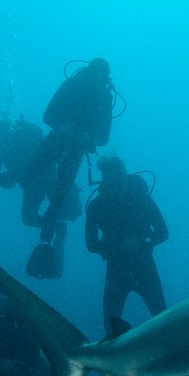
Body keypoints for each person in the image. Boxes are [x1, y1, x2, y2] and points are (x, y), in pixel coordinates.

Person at [26, 58, 117, 279]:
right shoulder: (72, 86)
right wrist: (63, 127)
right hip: (60, 139)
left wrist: (87, 137)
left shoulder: (104, 97)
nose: (95, 80)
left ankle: (50, 234)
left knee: (57, 199)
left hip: (76, 146)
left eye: (99, 76)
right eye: (93, 74)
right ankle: (48, 224)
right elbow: (48, 116)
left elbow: (103, 137)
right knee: (28, 178)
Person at [0, 115, 80, 278]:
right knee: (29, 218)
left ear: (9, 130)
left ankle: (56, 227)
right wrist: (0, 180)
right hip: (37, 183)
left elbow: (48, 150)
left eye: (3, 134)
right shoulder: (2, 149)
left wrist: (5, 179)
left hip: (48, 177)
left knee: (68, 214)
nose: (2, 138)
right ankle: (57, 227)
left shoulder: (23, 136)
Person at [84, 154, 168, 337]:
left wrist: (142, 243)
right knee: (110, 330)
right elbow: (91, 244)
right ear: (104, 181)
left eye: (120, 177)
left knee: (163, 320)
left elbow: (163, 232)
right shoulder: (96, 206)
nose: (118, 183)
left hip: (144, 268)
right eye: (112, 179)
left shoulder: (142, 198)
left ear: (126, 176)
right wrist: (117, 247)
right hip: (117, 271)